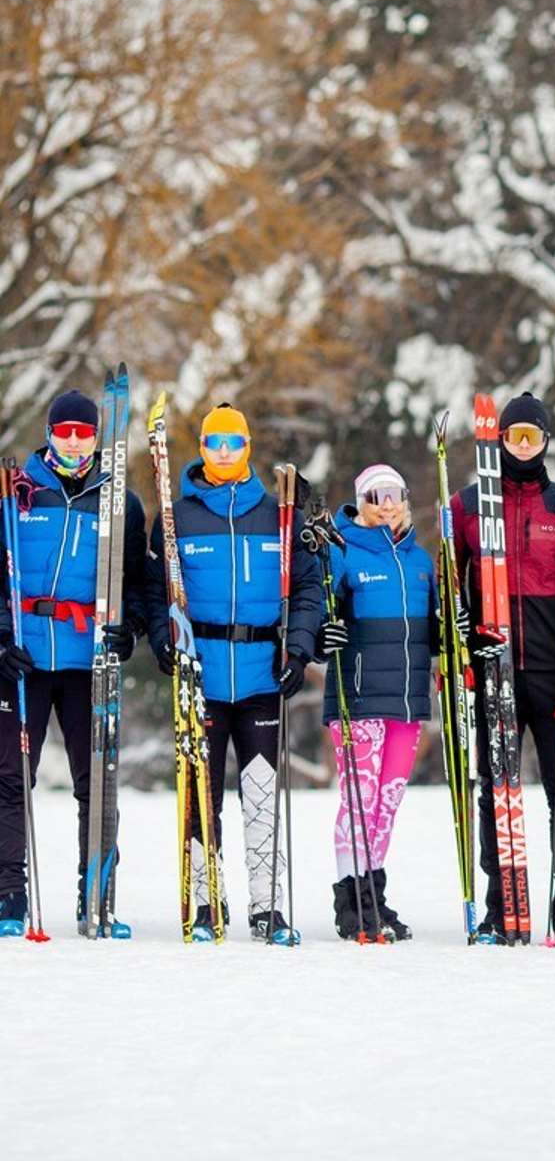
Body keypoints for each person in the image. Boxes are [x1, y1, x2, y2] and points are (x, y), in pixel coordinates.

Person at [144, 402, 320, 943]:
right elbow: (154, 593)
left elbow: (308, 588)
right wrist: (163, 640)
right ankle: (205, 901)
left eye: (234, 444)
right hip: (201, 679)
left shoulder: (277, 515)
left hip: (264, 676)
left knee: (262, 796)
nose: (224, 453)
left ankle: (267, 907)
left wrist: (297, 650)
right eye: (214, 444)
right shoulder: (176, 519)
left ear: (247, 449)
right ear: (201, 449)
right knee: (201, 799)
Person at [450, 392, 555, 947]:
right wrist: (468, 635)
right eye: (512, 436)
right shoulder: (467, 506)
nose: (522, 446)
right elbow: (449, 591)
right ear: (496, 439)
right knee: (497, 792)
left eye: (532, 437)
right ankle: (500, 908)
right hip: (495, 677)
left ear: (545, 443)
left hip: (554, 675)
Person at [0, 389, 148, 937]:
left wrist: (129, 629)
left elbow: (138, 582)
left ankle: (97, 893)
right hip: (26, 658)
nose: (73, 442)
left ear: (97, 437)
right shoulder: (17, 495)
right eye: (63, 432)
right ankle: (8, 895)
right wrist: (0, 641)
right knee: (11, 777)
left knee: (98, 783)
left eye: (84, 433)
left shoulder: (119, 502)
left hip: (91, 661)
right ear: (48, 432)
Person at [317, 463, 438, 942]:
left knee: (387, 803)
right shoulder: (343, 551)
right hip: (358, 696)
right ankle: (351, 901)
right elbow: (321, 607)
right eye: (375, 496)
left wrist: (455, 631)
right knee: (359, 801)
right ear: (361, 503)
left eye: (394, 494)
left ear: (405, 500)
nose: (386, 504)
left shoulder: (421, 562)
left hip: (407, 700)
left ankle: (375, 896)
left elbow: (435, 626)